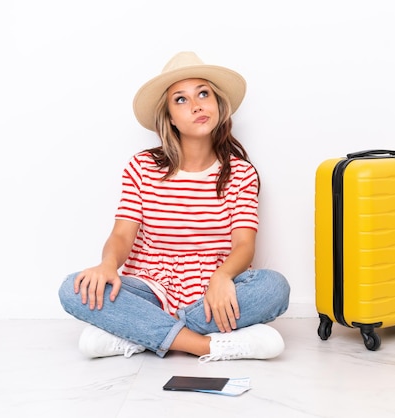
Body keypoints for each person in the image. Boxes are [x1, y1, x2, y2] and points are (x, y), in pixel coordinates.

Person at [58, 51, 290, 362]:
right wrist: (107, 265)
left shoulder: (241, 173)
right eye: (181, 100)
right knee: (74, 287)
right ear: (169, 117)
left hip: (214, 292)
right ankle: (205, 344)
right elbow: (122, 236)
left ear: (219, 104)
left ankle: (141, 333)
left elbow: (244, 245)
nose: (196, 106)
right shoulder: (142, 167)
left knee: (275, 287)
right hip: (152, 290)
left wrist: (221, 278)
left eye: (203, 94)